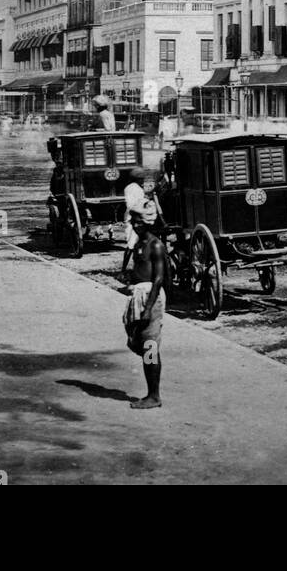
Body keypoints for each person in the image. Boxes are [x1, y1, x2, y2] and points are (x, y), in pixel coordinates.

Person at [121, 198, 166, 410]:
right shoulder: (140, 243)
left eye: (137, 221)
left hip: (151, 298)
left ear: (146, 222)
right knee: (140, 342)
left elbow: (158, 279)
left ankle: (153, 396)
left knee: (150, 347)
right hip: (140, 296)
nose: (134, 224)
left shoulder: (155, 245)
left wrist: (148, 308)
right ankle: (152, 393)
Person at [120, 168, 160, 276]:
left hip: (139, 216)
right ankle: (123, 270)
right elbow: (131, 205)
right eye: (141, 179)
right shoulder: (132, 188)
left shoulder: (136, 187)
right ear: (136, 179)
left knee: (136, 244)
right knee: (131, 244)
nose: (142, 180)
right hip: (133, 218)